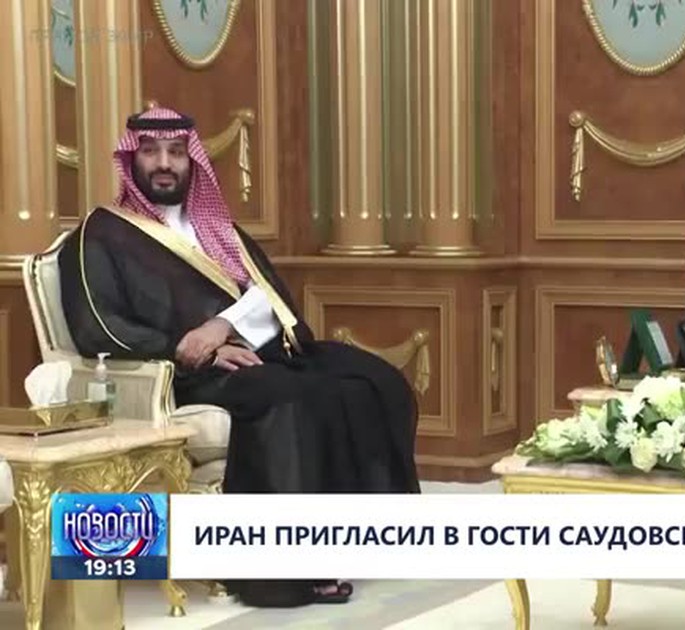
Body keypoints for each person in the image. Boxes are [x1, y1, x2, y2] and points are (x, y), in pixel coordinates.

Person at [58, 106, 421, 608]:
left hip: (253, 351)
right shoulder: (101, 234)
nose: (164, 163)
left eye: (176, 152)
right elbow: (96, 325)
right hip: (180, 373)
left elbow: (268, 296)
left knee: (371, 379)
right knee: (287, 396)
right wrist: (191, 347)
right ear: (130, 160)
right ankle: (285, 570)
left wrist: (223, 326)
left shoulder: (215, 226)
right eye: (151, 152)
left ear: (191, 160)